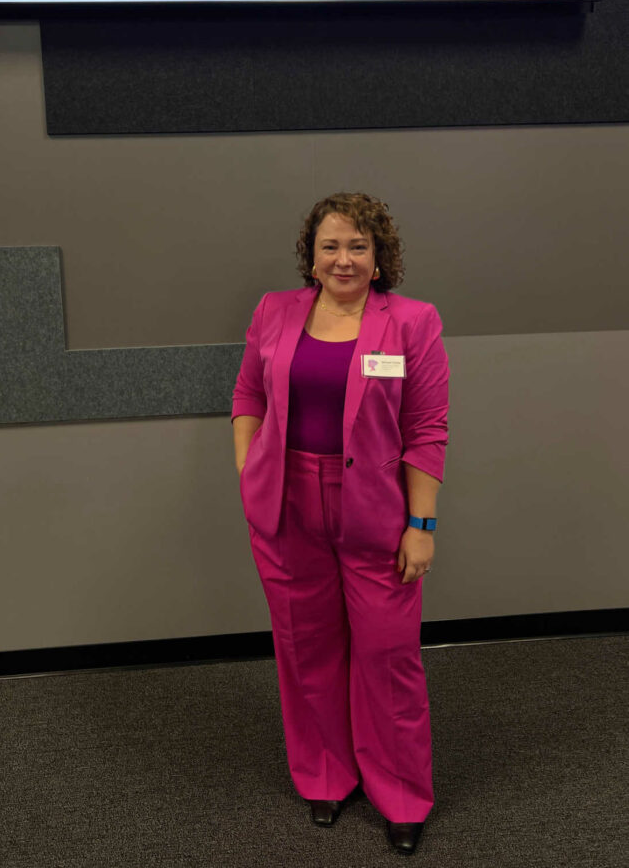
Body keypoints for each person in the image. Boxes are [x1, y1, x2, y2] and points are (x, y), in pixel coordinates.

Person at [231, 192, 449, 856]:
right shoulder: (276, 310)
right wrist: (251, 470)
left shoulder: (413, 323)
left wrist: (421, 523)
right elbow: (248, 395)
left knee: (388, 656)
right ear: (311, 255)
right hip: (287, 503)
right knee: (305, 647)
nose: (343, 258)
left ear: (380, 256)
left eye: (358, 245)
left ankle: (402, 792)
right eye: (331, 245)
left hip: (375, 511)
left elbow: (426, 429)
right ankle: (326, 774)